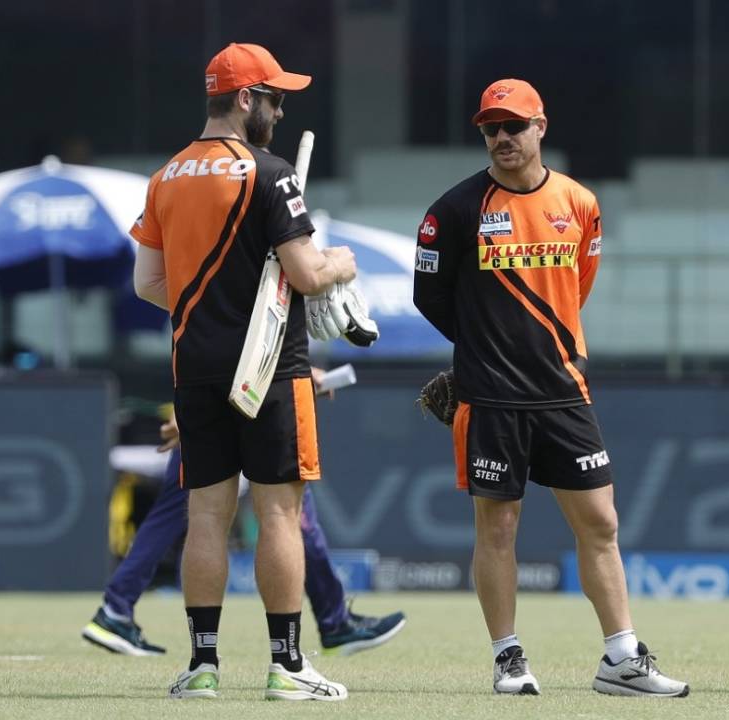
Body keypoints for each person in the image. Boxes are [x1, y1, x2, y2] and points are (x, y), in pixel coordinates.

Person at [412, 78, 689, 698]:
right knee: (499, 529)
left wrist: (547, 350)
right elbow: (428, 295)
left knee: (600, 522)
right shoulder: (454, 210)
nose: (503, 138)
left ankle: (620, 658)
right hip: (492, 398)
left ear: (541, 127)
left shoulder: (580, 202)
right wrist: (482, 346)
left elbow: (578, 285)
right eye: (491, 129)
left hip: (564, 391)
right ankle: (509, 658)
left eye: (514, 126)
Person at [131, 42, 359, 701]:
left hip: (194, 366)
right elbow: (308, 274)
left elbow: (148, 282)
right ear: (244, 100)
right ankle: (287, 667)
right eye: (275, 98)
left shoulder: (165, 176)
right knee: (279, 514)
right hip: (269, 367)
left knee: (207, 514)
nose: (280, 112)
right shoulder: (270, 171)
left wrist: (214, 298)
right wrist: (340, 262)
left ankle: (202, 665)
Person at [81, 387, 406, 658]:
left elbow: (196, 331)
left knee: (187, 514)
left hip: (215, 395)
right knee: (283, 514)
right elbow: (242, 335)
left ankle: (123, 611)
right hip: (247, 398)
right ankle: (329, 626)